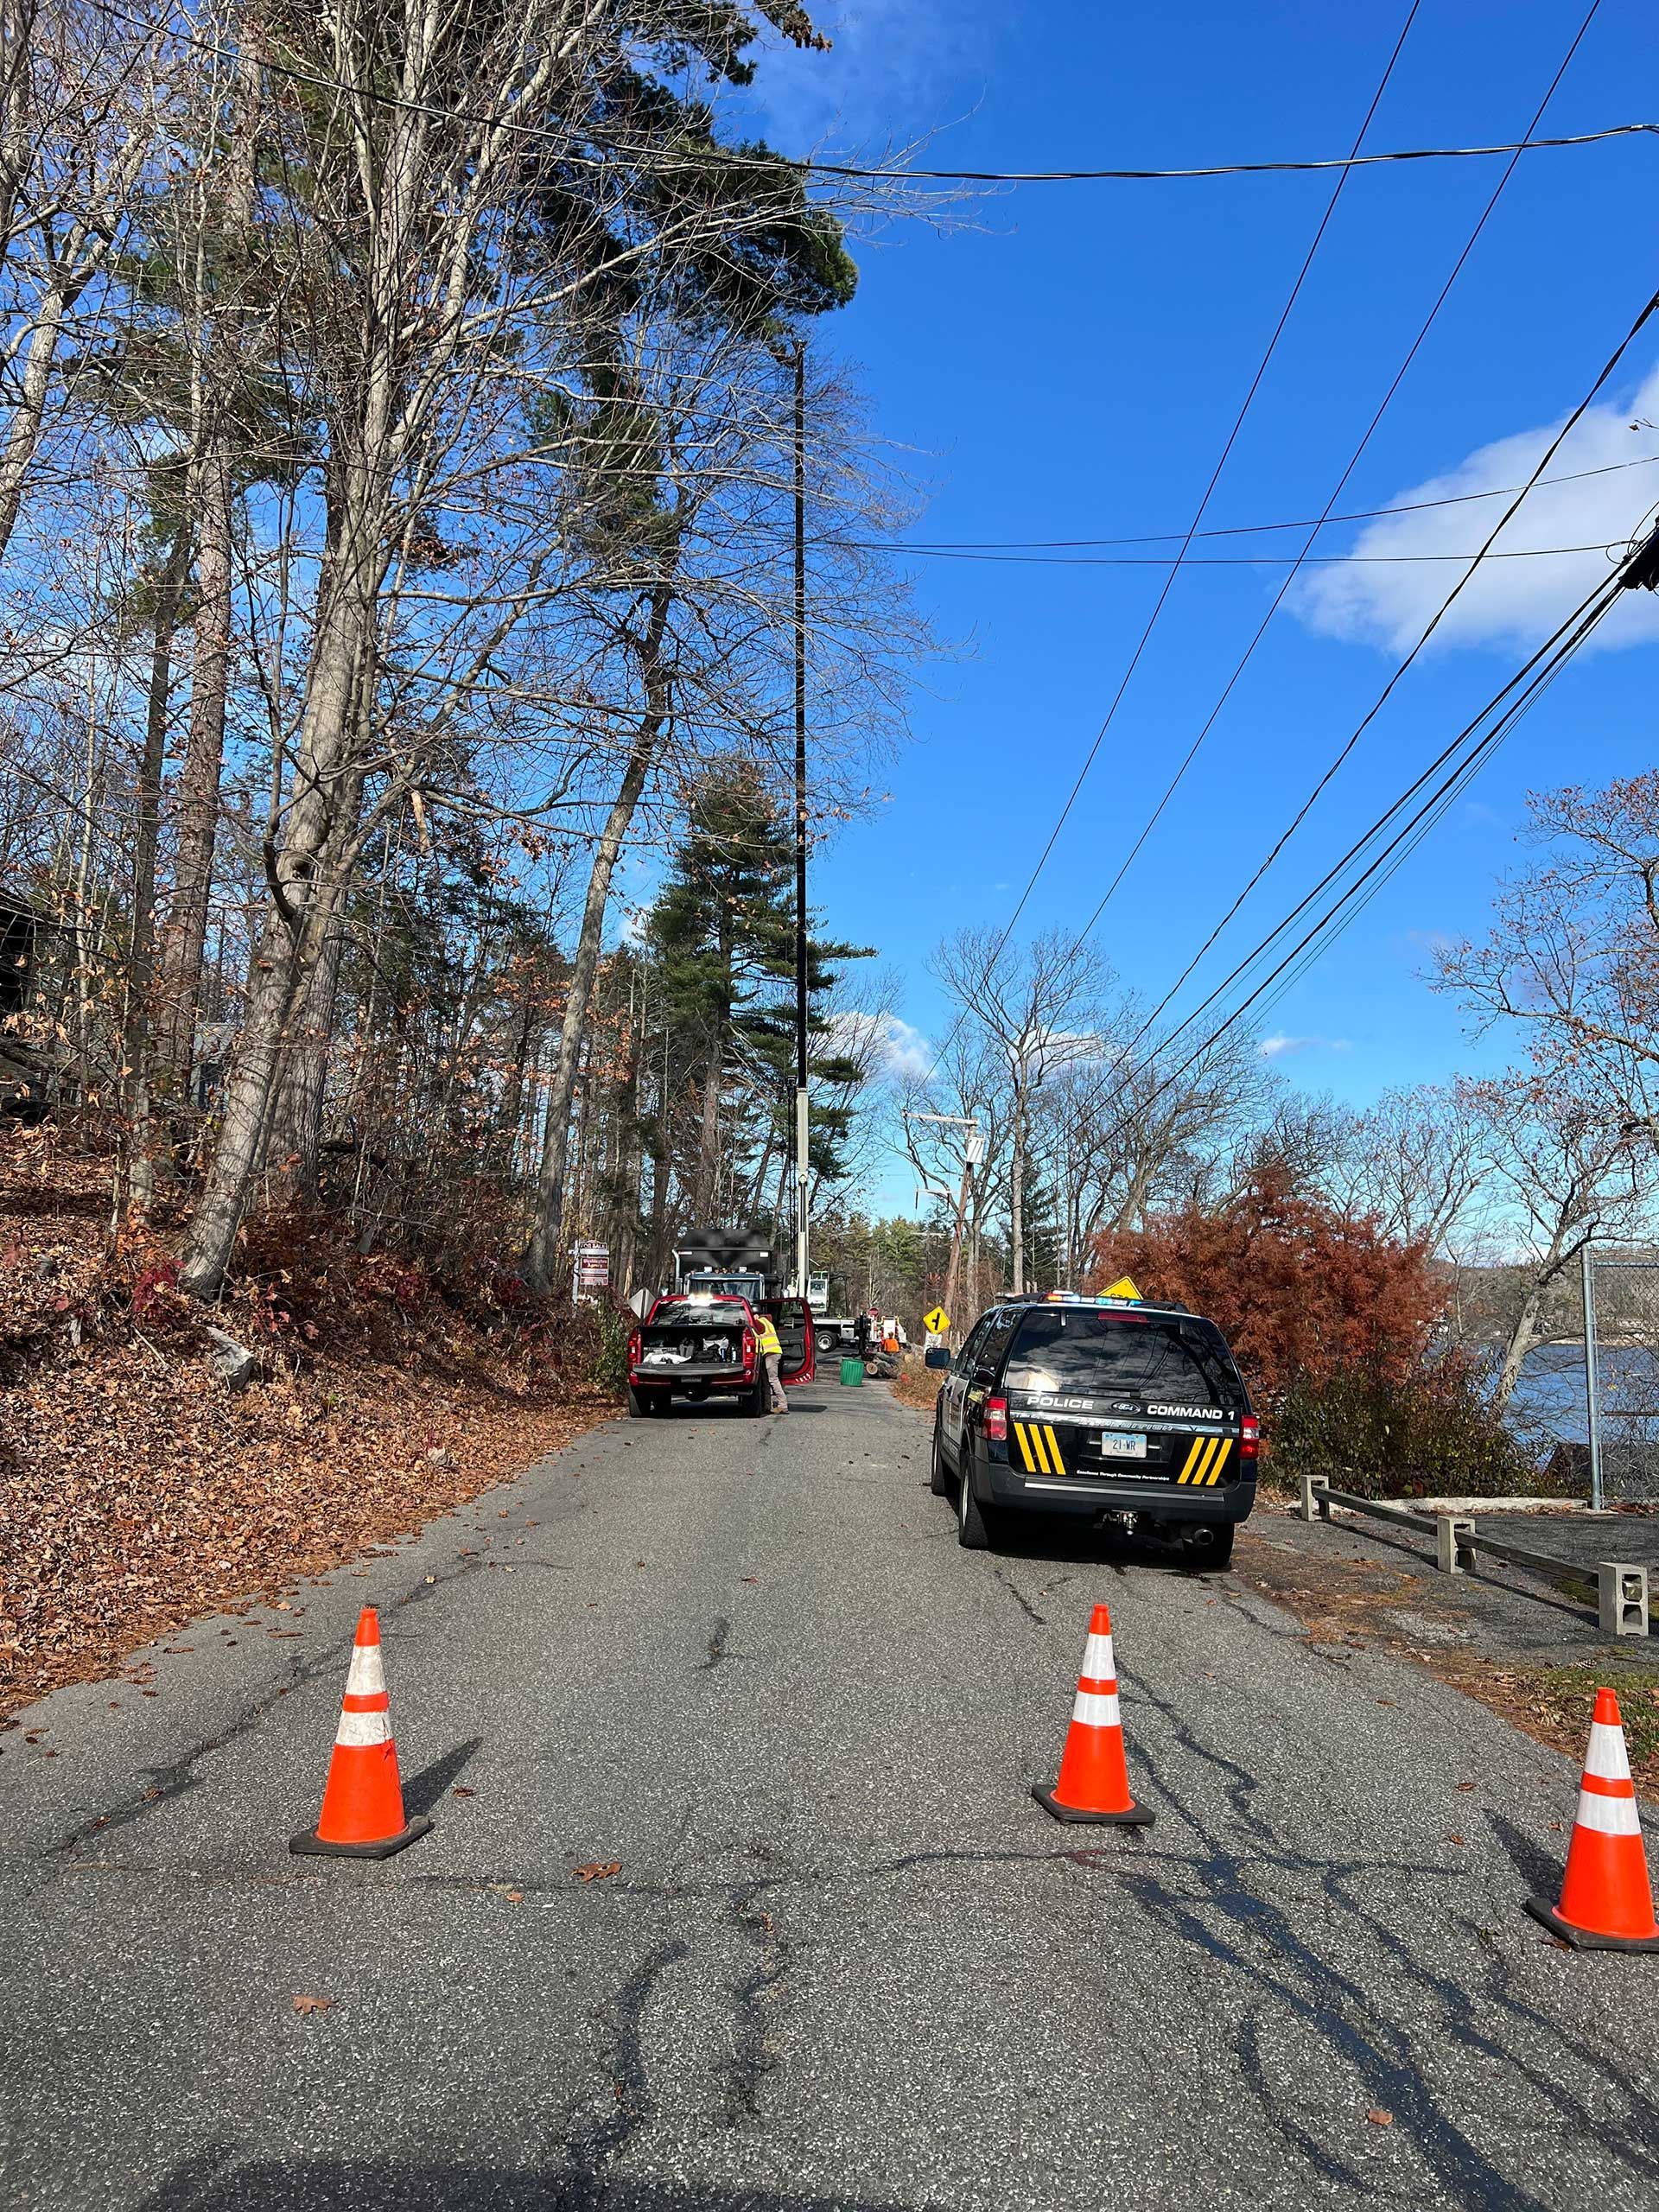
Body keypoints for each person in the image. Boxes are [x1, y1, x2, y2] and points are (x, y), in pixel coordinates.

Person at [755, 1309, 788, 1414]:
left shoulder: (760, 1322)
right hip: (771, 1353)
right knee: (766, 1380)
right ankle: (767, 1406)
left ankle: (783, 1405)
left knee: (773, 1379)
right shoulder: (767, 1321)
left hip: (771, 1353)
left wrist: (753, 1320)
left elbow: (757, 1327)